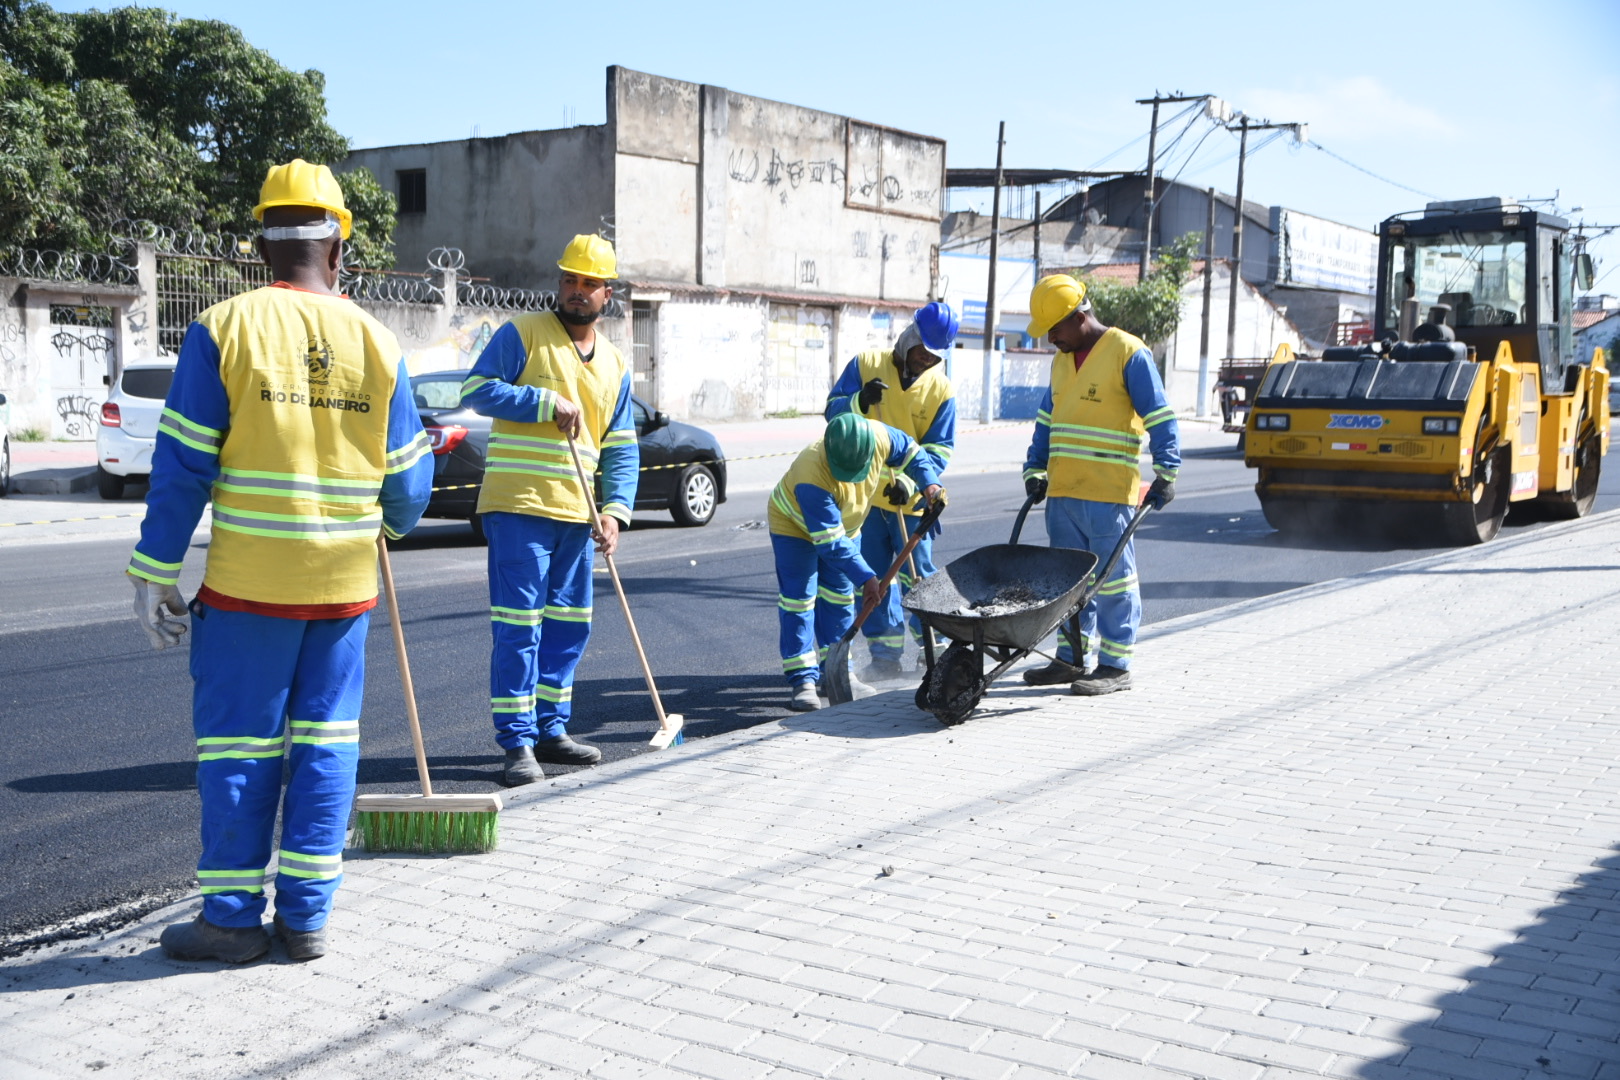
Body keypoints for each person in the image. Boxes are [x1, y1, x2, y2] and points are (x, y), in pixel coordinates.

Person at [127, 159, 433, 963]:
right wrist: (381, 523)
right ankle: (306, 921)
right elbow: (409, 489)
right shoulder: (380, 343)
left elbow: (182, 467)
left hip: (247, 592)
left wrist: (155, 569)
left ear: (260, 245)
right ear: (339, 247)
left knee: (240, 752)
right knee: (328, 746)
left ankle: (231, 921)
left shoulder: (222, 329)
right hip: (343, 595)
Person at [460, 234, 638, 787]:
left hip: (576, 518)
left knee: (568, 626)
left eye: (589, 283)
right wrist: (542, 401)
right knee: (519, 628)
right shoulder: (523, 334)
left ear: (608, 294)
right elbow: (476, 390)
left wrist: (615, 512)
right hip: (518, 508)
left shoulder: (615, 364)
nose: (577, 290)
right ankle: (517, 743)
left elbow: (621, 447)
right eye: (569, 280)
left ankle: (550, 729)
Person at [1020, 274, 1178, 696]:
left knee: (1114, 582)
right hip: (1063, 494)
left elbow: (1160, 415)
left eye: (1055, 328)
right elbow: (1047, 420)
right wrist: (1034, 469)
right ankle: (1071, 659)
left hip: (1108, 494)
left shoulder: (1129, 353)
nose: (1051, 338)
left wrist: (1167, 471)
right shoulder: (1061, 361)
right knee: (1067, 583)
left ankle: (1115, 665)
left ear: (1079, 317)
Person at [769, 411, 944, 711]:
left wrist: (929, 484)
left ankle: (839, 673)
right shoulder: (811, 472)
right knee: (799, 600)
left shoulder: (880, 437)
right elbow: (830, 543)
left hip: (847, 529)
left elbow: (914, 453)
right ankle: (803, 681)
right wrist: (866, 576)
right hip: (794, 527)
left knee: (838, 598)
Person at [824, 302, 958, 680]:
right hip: (865, 497)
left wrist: (911, 484)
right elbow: (833, 414)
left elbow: (939, 449)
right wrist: (859, 401)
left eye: (935, 356)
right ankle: (885, 656)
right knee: (874, 577)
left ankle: (933, 648)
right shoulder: (866, 364)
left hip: (909, 502)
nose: (927, 360)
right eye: (923, 351)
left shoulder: (941, 390)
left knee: (920, 576)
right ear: (908, 338)